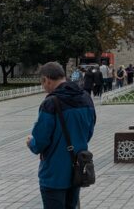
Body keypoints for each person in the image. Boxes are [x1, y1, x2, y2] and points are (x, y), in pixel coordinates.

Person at [26, 62, 96, 209]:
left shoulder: (50, 103)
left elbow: (40, 142)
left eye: (42, 83)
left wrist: (31, 143)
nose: (43, 87)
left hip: (54, 173)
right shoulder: (85, 98)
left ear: (47, 80)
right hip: (77, 168)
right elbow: (88, 132)